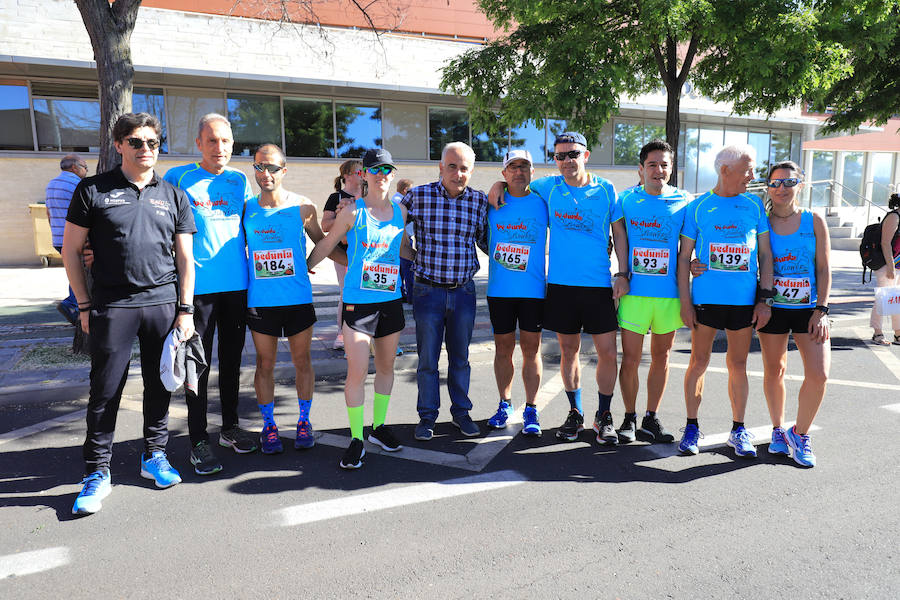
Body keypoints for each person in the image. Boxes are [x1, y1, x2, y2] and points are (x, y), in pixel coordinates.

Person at [63, 112, 195, 515]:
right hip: (112, 306)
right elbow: (70, 251)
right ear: (119, 144)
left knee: (160, 386)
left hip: (162, 305)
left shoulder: (172, 195)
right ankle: (96, 472)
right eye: (136, 142)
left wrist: (185, 310)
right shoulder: (93, 190)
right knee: (105, 391)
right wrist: (84, 305)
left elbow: (186, 258)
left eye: (152, 143)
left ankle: (154, 455)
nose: (145, 150)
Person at [489, 132, 628, 445]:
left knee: (607, 353)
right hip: (561, 287)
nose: (568, 161)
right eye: (561, 155)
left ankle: (604, 415)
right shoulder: (547, 188)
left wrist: (622, 272)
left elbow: (618, 234)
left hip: (598, 285)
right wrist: (496, 185)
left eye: (573, 154)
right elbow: (515, 183)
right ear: (554, 160)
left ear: (586, 155)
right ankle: (575, 412)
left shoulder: (606, 190)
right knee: (569, 351)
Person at [163, 113, 257, 475]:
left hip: (237, 288)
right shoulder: (178, 177)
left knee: (232, 362)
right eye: (213, 141)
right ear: (199, 144)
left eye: (226, 141)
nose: (220, 148)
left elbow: (253, 226)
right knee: (196, 368)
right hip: (196, 291)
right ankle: (198, 439)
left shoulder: (239, 180)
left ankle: (230, 427)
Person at [308, 148, 408, 468]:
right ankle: (356, 438)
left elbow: (405, 249)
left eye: (387, 170)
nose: (382, 175)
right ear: (364, 174)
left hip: (390, 302)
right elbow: (328, 242)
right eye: (375, 170)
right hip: (358, 305)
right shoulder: (352, 211)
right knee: (356, 372)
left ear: (392, 175)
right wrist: (306, 266)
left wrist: (427, 266)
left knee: (387, 368)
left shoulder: (400, 213)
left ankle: (378, 428)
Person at [243, 144, 345, 454]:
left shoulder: (304, 207)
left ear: (283, 171)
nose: (266, 173)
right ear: (255, 170)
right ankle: (269, 425)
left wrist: (353, 263)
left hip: (297, 299)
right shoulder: (246, 208)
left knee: (303, 361)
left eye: (272, 167)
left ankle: (303, 421)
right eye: (260, 167)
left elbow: (323, 243)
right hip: (261, 300)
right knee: (265, 364)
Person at [676, 144, 774, 459]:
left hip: (744, 301)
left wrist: (765, 300)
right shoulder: (698, 206)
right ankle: (691, 426)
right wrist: (685, 302)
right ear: (725, 170)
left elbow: (765, 255)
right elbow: (683, 259)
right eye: (748, 169)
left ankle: (738, 429)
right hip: (706, 300)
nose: (753, 175)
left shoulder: (755, 205)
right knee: (699, 362)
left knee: (739, 363)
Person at [401, 142, 488, 441]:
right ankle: (427, 418)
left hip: (463, 293)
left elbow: (486, 242)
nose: (458, 173)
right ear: (440, 167)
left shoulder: (479, 201)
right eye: (452, 166)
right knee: (427, 360)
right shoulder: (418, 196)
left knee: (461, 359)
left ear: (472, 171)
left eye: (464, 168)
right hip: (428, 293)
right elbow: (392, 226)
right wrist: (408, 253)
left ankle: (461, 413)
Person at [612, 140, 691, 444]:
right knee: (630, 359)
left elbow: (690, 245)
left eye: (665, 165)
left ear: (672, 169)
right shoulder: (625, 200)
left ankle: (651, 418)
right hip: (635, 294)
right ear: (641, 169)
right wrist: (620, 274)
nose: (659, 170)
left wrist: (696, 262)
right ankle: (629, 418)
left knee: (662, 357)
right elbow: (618, 238)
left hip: (669, 296)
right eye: (653, 164)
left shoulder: (685, 201)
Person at [756, 161, 831, 467]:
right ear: (768, 188)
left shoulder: (814, 220)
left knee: (819, 374)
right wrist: (697, 264)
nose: (782, 189)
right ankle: (777, 429)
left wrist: (822, 309)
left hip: (808, 310)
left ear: (800, 185)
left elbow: (824, 268)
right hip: (772, 308)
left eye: (788, 183)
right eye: (775, 183)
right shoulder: (761, 221)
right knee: (775, 371)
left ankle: (799, 433)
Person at [484, 150, 548, 436]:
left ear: (532, 172)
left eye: (525, 166)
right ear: (504, 173)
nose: (519, 171)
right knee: (503, 349)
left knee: (531, 350)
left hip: (533, 290)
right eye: (513, 167)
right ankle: (504, 403)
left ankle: (531, 408)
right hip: (500, 290)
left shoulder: (544, 201)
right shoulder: (491, 202)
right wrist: (495, 189)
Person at [322, 160, 363, 351]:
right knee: (346, 293)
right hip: (344, 255)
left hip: (367, 252)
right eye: (358, 172)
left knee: (369, 293)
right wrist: (343, 218)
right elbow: (325, 225)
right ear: (346, 175)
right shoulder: (336, 197)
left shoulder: (370, 196)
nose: (363, 174)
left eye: (364, 171)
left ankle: (367, 334)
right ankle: (341, 334)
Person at [46, 154, 88, 325]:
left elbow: (49, 213)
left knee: (73, 269)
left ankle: (73, 304)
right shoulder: (76, 184)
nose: (86, 171)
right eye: (85, 167)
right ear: (74, 167)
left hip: (58, 237)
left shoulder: (51, 184)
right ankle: (71, 303)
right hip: (73, 238)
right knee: (81, 271)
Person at [869, 193, 900, 345]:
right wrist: (891, 267)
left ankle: (898, 333)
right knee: (884, 297)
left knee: (896, 299)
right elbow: (885, 243)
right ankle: (877, 333)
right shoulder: (894, 217)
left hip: (897, 264)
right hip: (887, 264)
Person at [392, 178, 415, 304]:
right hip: (403, 238)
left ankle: (401, 294)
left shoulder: (396, 199)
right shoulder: (399, 201)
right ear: (405, 189)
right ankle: (411, 296)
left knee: (401, 270)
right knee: (409, 269)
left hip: (400, 238)